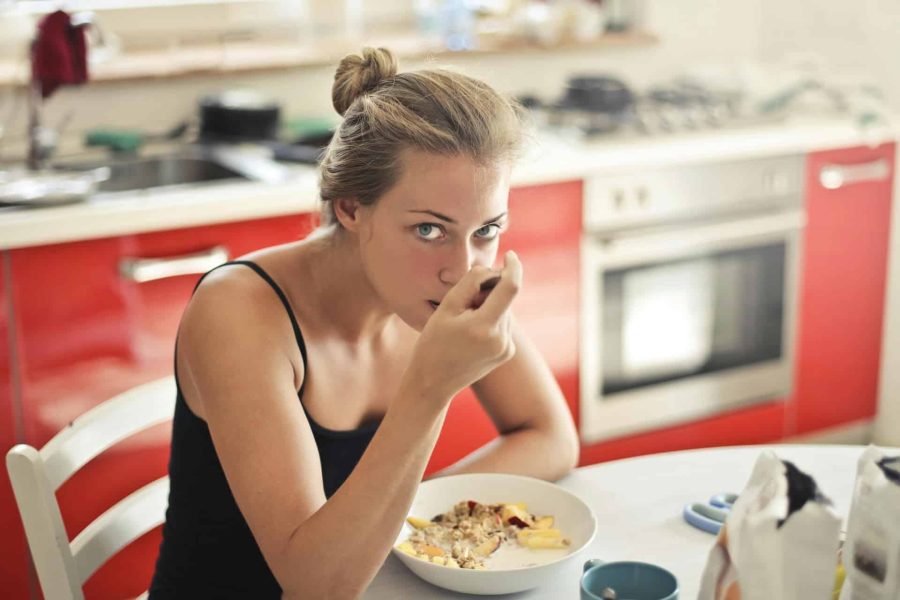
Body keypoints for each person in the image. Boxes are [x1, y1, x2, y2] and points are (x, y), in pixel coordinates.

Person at [149, 47, 579, 599]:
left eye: (487, 230)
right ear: (351, 208)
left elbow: (550, 438)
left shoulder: (444, 284)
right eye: (428, 229)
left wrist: (399, 522)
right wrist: (431, 387)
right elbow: (315, 584)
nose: (463, 269)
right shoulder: (241, 313)